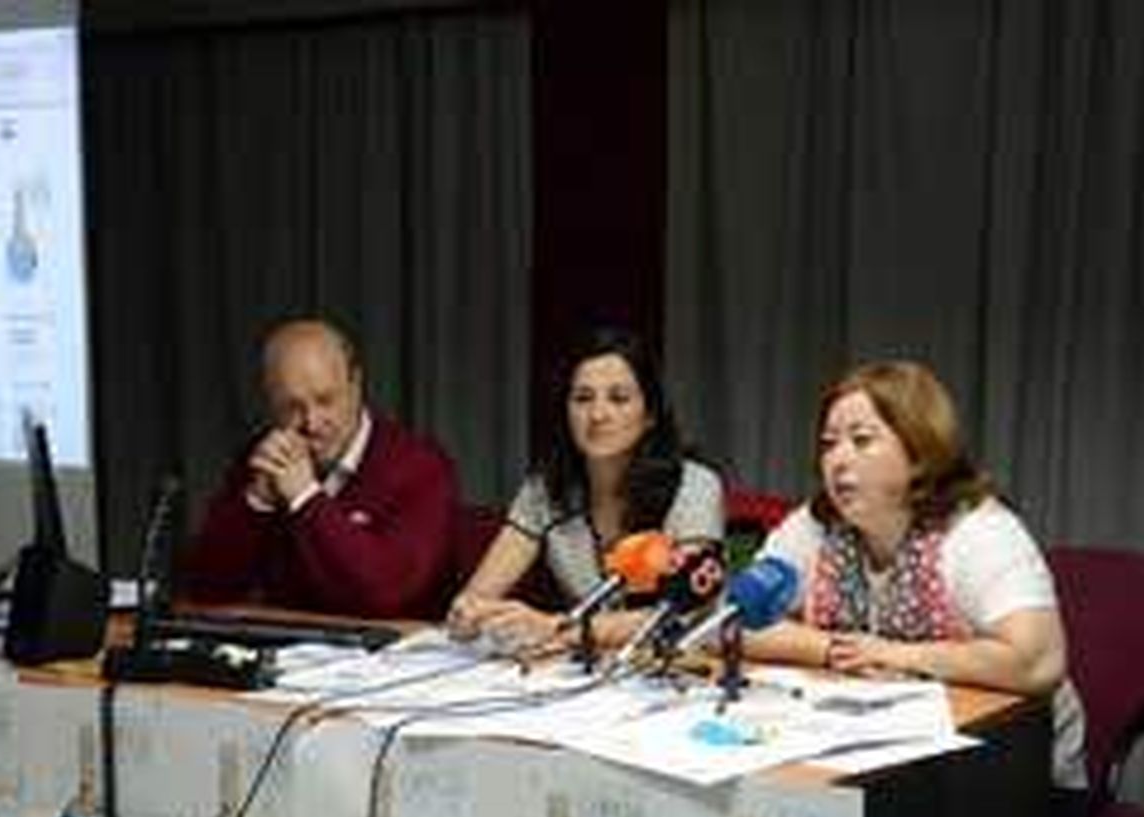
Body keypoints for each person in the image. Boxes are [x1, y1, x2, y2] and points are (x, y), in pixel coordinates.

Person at [750, 359, 1085, 788]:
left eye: (862, 440)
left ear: (918, 451)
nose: (837, 459)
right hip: (878, 754)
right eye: (829, 443)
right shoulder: (815, 525)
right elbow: (739, 619)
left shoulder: (979, 529)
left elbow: (1038, 661)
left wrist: (895, 655)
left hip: (1011, 769)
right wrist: (835, 649)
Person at [448, 327, 725, 652]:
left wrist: (556, 628)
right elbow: (478, 594)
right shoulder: (545, 491)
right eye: (582, 398)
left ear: (650, 415)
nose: (597, 415)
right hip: (582, 669)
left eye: (618, 399)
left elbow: (681, 614)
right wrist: (470, 612)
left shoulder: (693, 487)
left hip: (679, 668)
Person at [185, 316, 458, 619]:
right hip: (287, 652)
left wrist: (305, 497)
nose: (312, 423)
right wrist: (257, 502)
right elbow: (206, 590)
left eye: (325, 400)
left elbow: (385, 595)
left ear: (355, 384)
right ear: (270, 401)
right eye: (292, 406)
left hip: (389, 656)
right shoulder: (260, 458)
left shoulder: (420, 466)